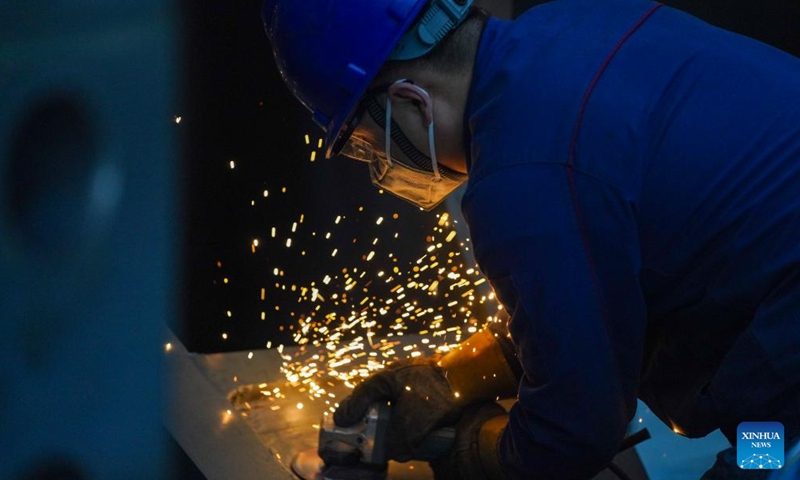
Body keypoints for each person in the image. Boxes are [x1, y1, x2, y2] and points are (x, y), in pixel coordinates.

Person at [262, 0, 800, 478]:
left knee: (758, 461)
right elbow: (591, 300)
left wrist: (475, 450)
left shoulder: (521, 177)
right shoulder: (570, 23)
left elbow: (575, 431)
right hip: (779, 328)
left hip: (786, 384)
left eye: (368, 142)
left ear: (411, 101)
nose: (382, 161)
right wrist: (454, 377)